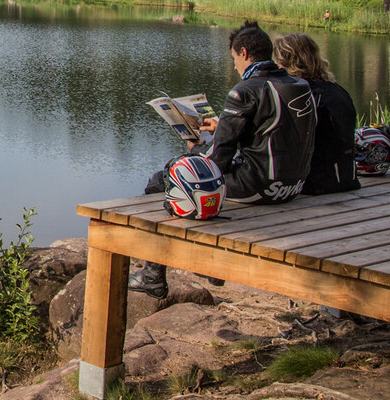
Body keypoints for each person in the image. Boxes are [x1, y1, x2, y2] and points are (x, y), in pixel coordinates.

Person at [129, 21, 317, 298]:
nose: (234, 67)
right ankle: (205, 268)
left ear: (244, 53)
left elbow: (217, 160)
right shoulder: (298, 84)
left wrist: (194, 149)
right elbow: (271, 135)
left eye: (233, 60)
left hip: (257, 187)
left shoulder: (244, 91)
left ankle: (154, 273)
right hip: (291, 186)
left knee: (166, 177)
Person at [273, 33, 360, 195]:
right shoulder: (338, 90)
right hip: (347, 178)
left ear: (285, 63)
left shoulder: (299, 97)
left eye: (276, 62)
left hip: (313, 184)